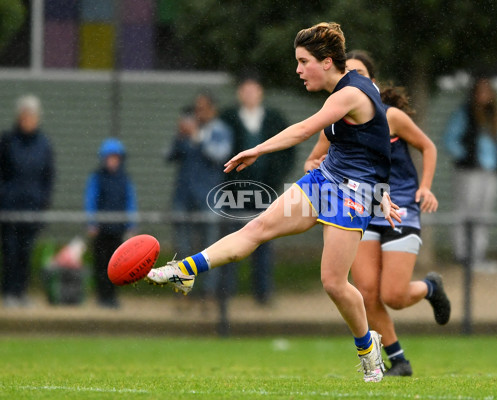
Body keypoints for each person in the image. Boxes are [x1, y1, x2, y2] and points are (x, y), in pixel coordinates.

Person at [146, 22, 402, 382]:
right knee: (257, 227)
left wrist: (255, 148)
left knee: (332, 282)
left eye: (303, 61)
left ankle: (367, 347)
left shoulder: (350, 94)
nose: (298, 70)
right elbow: (372, 141)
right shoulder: (351, 87)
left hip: (353, 196)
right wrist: (384, 187)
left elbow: (304, 130)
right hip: (324, 181)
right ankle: (186, 270)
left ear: (327, 62)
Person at [304, 50, 450, 377]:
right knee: (366, 291)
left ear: (372, 81)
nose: (351, 82)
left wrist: (425, 187)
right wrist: (323, 174)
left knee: (394, 295)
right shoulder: (336, 118)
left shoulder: (391, 116)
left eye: (358, 74)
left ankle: (430, 287)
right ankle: (398, 359)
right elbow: (312, 160)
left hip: (399, 207)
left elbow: (428, 146)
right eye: (347, 74)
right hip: (361, 206)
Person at [220, 74, 293, 305]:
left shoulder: (274, 119)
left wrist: (275, 177)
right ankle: (226, 296)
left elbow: (287, 152)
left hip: (265, 194)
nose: (250, 94)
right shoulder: (228, 119)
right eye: (246, 89)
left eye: (255, 89)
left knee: (263, 242)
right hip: (234, 194)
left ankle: (263, 294)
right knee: (230, 241)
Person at [166, 96, 233, 297]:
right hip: (183, 197)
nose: (199, 113)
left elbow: (220, 156)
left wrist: (197, 137)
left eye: (203, 109)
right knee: (183, 248)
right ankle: (184, 292)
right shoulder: (187, 131)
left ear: (213, 110)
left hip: (209, 198)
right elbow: (168, 156)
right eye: (197, 109)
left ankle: (209, 292)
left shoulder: (220, 131)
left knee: (211, 249)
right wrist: (179, 137)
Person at [443, 77, 497, 274]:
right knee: (465, 211)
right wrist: (466, 155)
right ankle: (463, 254)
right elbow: (450, 140)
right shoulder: (464, 114)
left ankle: (478, 254)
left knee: (484, 213)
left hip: (489, 171)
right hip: (468, 170)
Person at [0, 95, 55, 308]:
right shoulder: (7, 141)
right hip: (9, 209)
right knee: (10, 252)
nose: (28, 119)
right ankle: (9, 293)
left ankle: (21, 292)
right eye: (24, 115)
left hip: (33, 209)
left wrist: (43, 200)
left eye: (32, 115)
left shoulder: (44, 145)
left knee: (25, 252)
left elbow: (48, 176)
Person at [85, 138, 138, 308]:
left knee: (117, 266)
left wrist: (131, 224)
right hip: (101, 230)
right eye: (110, 157)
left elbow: (130, 202)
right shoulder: (97, 178)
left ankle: (112, 297)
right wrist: (91, 222)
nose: (113, 161)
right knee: (101, 264)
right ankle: (102, 296)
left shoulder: (124, 179)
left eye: (116, 157)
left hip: (118, 230)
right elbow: (90, 200)